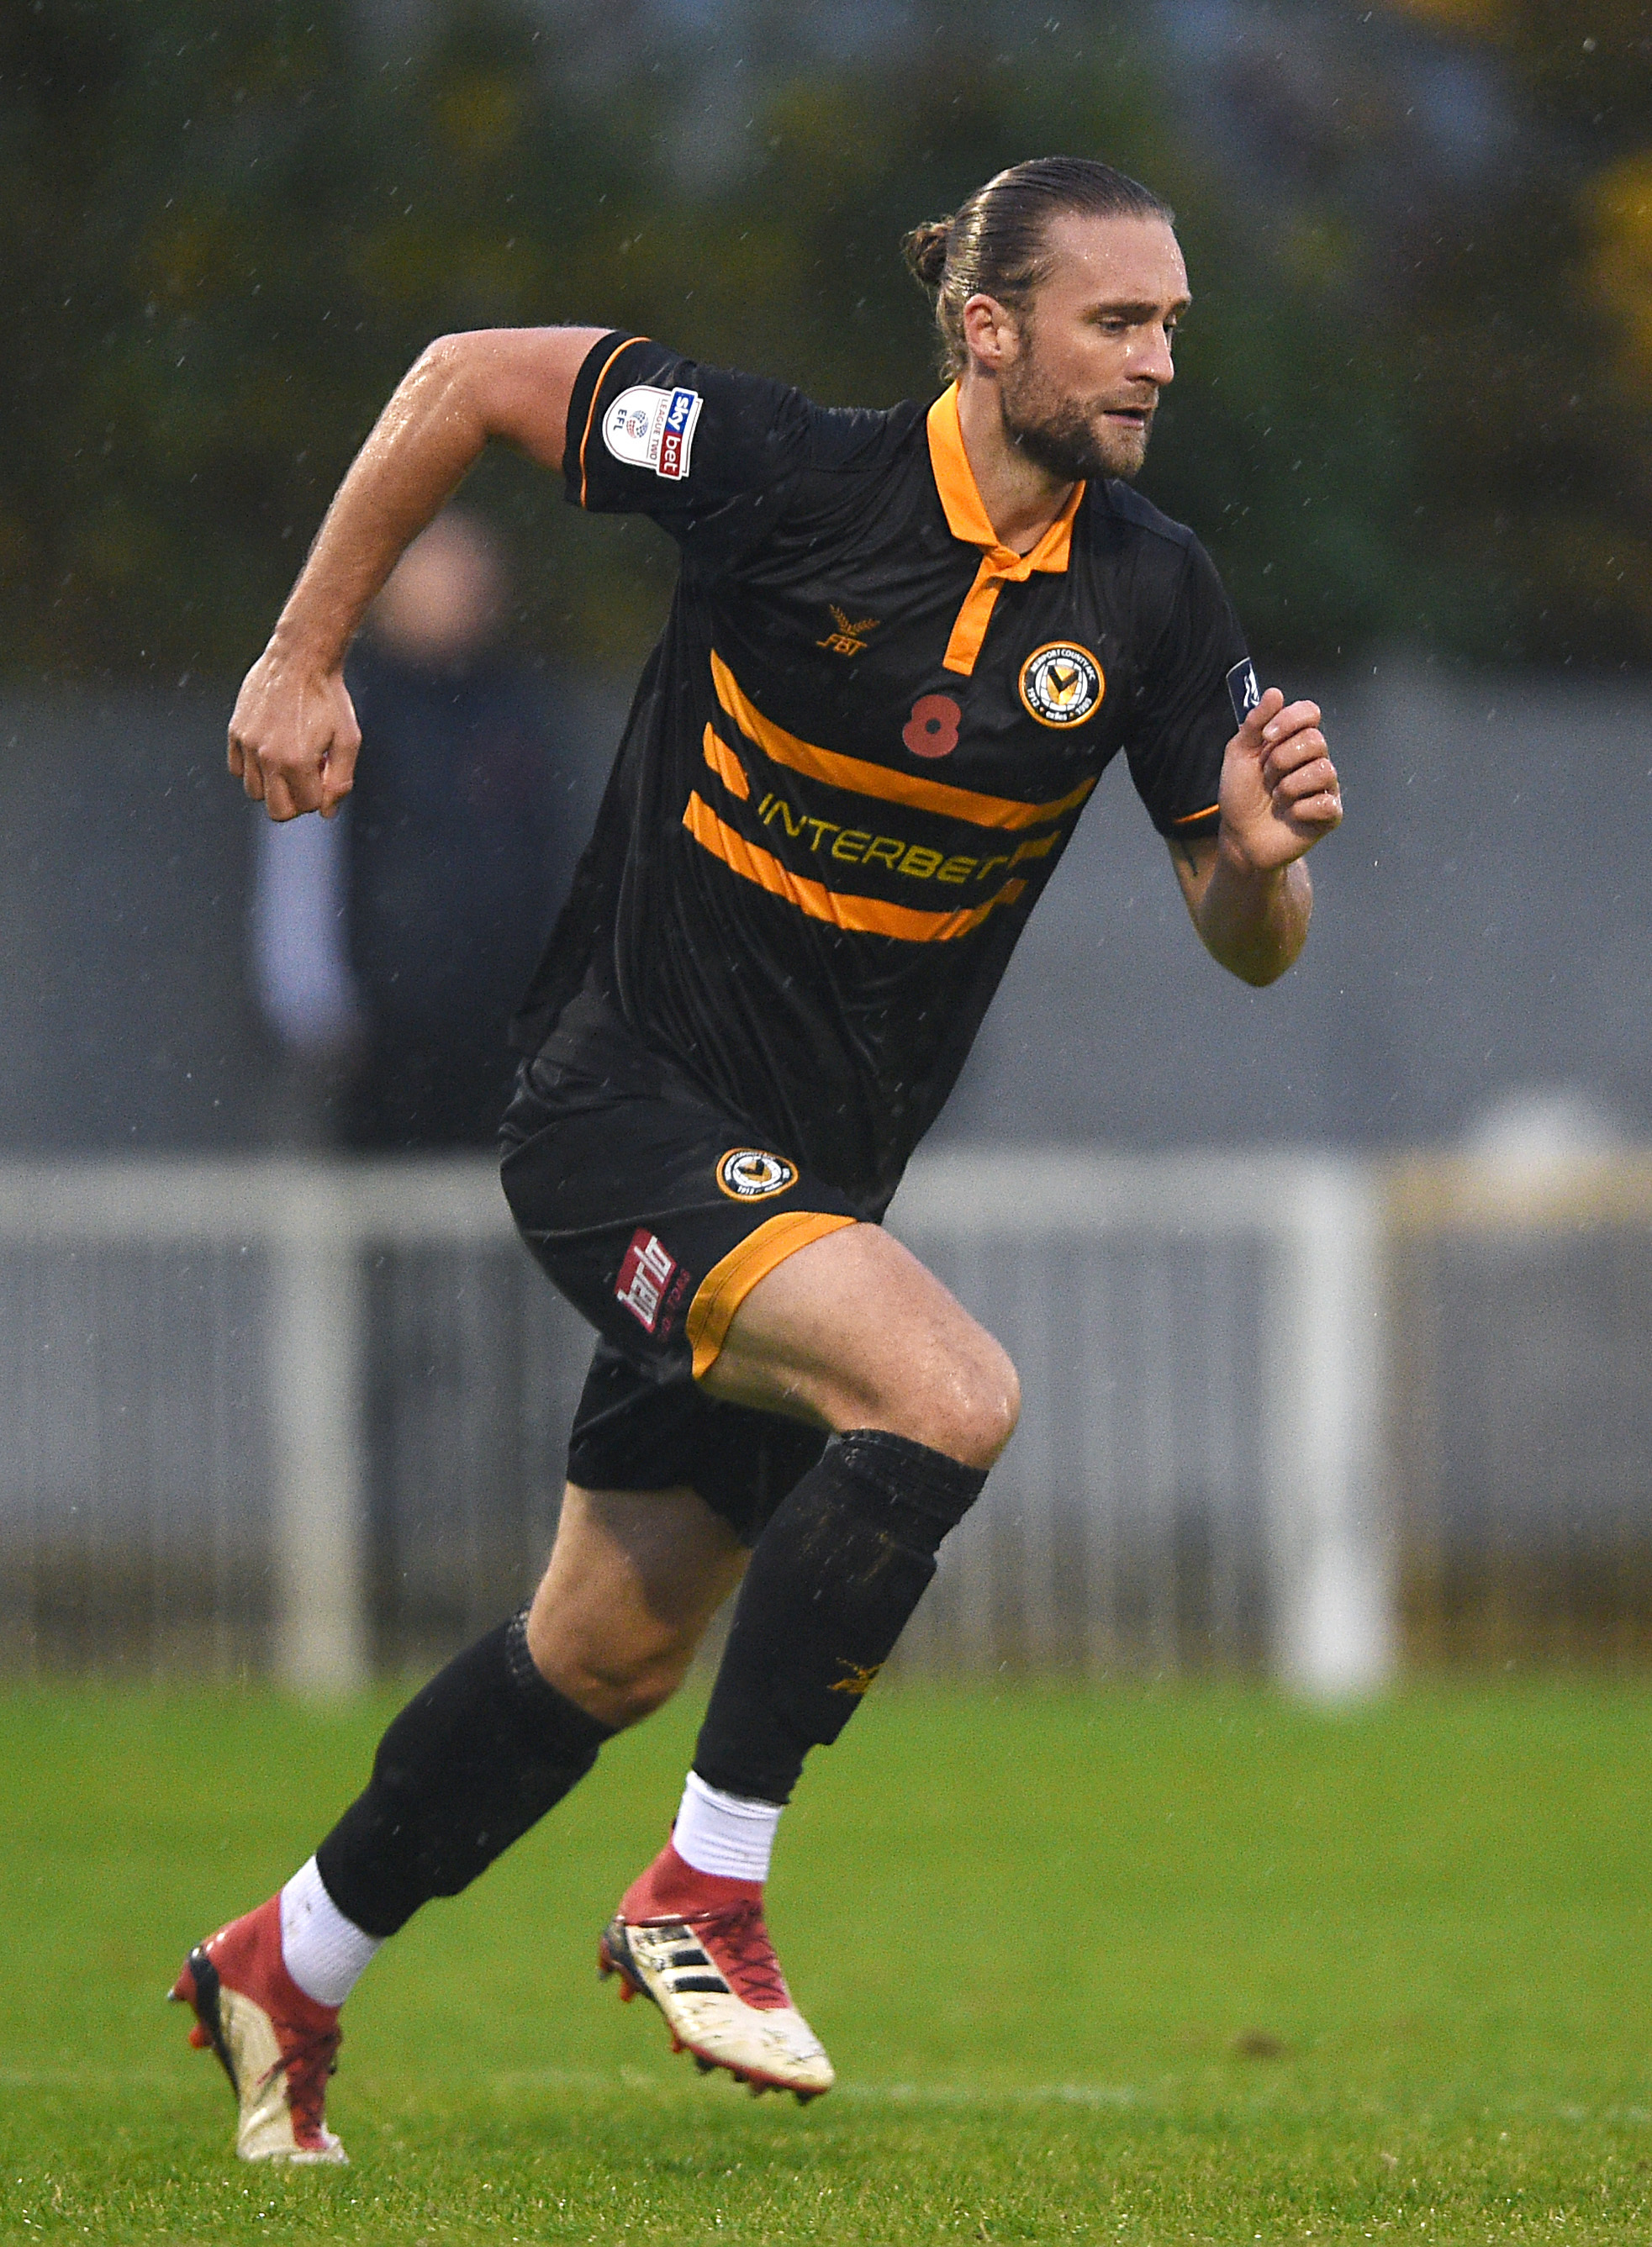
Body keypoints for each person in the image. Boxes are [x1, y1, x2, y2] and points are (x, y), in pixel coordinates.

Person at [172, 156, 1343, 2162]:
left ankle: (288, 1956)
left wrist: (1252, 859)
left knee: (604, 1647)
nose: (1156, 359)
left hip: (801, 1189)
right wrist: (301, 655)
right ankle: (703, 1887)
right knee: (947, 1388)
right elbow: (462, 376)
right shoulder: (783, 471)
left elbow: (1246, 954)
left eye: (1166, 326)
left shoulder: (1151, 595)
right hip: (613, 1106)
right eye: (1113, 322)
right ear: (988, 330)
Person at [250, 509, 574, 1149]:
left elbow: (554, 861)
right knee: (381, 1225)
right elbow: (301, 864)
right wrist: (315, 1006)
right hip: (380, 1045)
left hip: (507, 1037)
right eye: (445, 567)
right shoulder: (343, 703)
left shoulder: (516, 706)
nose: (467, 584)